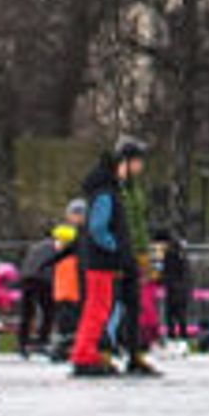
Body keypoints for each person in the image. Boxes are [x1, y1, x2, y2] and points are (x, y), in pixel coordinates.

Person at [66, 136, 158, 378]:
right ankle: (85, 354)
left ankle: (87, 352)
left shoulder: (107, 191)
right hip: (104, 261)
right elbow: (98, 227)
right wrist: (115, 247)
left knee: (101, 307)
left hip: (105, 260)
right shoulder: (107, 193)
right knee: (98, 308)